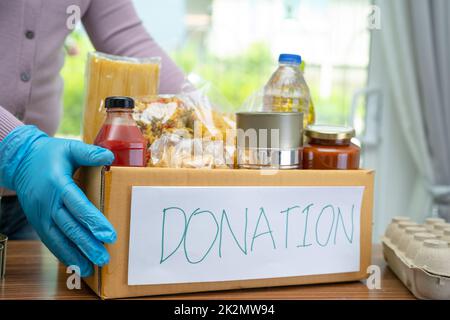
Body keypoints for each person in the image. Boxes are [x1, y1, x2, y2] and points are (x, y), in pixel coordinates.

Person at [0, 0, 186, 277]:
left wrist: (199, 110)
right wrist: (16, 149)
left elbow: (129, 41)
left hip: (32, 202)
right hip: (31, 174)